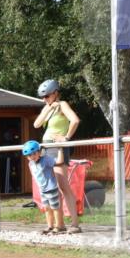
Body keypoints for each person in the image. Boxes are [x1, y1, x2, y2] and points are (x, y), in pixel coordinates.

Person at [33, 79, 82, 234]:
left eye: (47, 96)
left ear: (55, 93)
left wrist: (66, 138)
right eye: (43, 97)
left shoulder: (63, 105)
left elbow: (75, 120)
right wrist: (48, 109)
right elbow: (37, 124)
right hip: (46, 148)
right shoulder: (47, 107)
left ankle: (75, 224)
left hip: (58, 148)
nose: (45, 99)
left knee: (63, 186)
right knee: (52, 187)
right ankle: (59, 225)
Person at [22, 140, 65, 235]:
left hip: (51, 188)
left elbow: (59, 162)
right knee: (46, 208)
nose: (32, 157)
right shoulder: (31, 164)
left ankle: (60, 226)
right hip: (42, 190)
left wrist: (60, 149)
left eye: (34, 154)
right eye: (29, 156)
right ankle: (50, 226)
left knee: (55, 208)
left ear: (39, 152)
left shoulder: (46, 159)